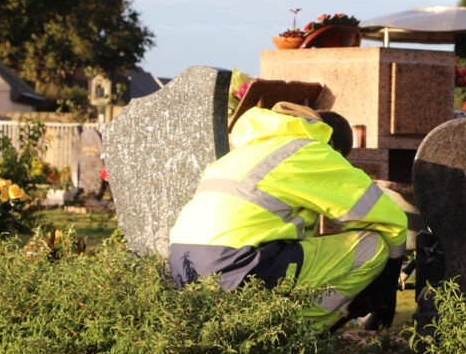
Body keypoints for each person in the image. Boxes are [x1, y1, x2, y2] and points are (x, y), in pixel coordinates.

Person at [168, 101, 407, 330]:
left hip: (182, 268)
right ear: (333, 148)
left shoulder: (249, 151)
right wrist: (385, 292)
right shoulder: (311, 150)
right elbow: (392, 220)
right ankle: (293, 338)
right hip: (238, 266)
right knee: (372, 247)